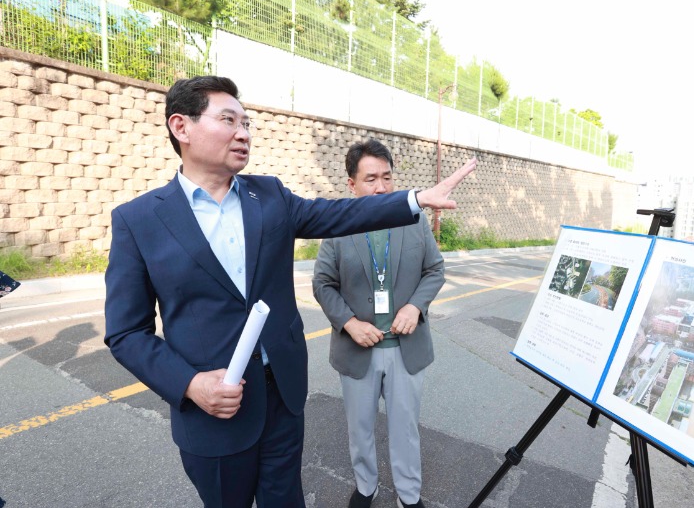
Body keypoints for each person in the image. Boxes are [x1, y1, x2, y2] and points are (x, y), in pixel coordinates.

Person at [103, 76, 476, 508]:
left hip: (282, 397)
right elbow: (127, 334)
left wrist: (414, 199)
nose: (243, 132)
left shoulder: (270, 195)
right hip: (214, 411)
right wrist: (188, 384)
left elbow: (338, 215)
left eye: (247, 122)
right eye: (228, 120)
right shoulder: (139, 220)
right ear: (181, 127)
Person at [313, 140, 444, 508]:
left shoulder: (413, 219)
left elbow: (434, 270)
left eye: (387, 177)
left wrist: (415, 307)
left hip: (406, 348)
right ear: (351, 184)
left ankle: (408, 494)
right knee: (361, 429)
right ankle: (365, 486)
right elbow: (323, 283)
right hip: (359, 350)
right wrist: (349, 323)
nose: (382, 187)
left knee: (405, 429)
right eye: (371, 179)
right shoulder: (338, 226)